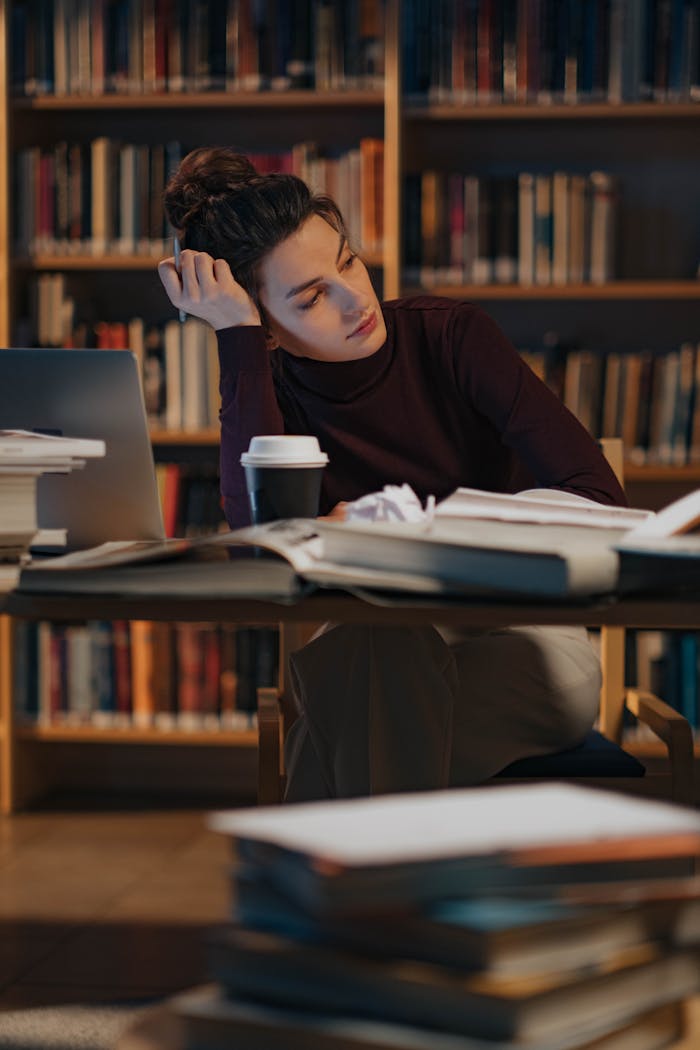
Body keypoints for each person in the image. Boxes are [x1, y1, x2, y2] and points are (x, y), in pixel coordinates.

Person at [158, 146, 627, 802]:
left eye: (348, 260)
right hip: (377, 646)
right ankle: (394, 896)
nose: (356, 299)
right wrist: (235, 338)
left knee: (333, 739)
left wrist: (421, 533)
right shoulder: (268, 389)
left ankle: (352, 888)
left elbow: (598, 495)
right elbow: (258, 547)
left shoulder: (451, 336)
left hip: (522, 643)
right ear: (268, 329)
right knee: (370, 647)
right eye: (313, 296)